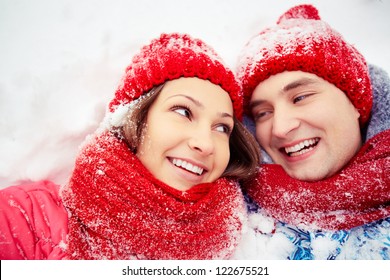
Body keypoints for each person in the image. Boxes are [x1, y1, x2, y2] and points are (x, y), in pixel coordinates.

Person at [0, 33, 260, 260]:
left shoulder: (248, 236)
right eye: (183, 111)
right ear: (135, 117)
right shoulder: (28, 218)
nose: (205, 144)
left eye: (222, 128)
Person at [234, 4, 390, 259]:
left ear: (356, 103)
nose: (282, 128)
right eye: (263, 113)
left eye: (301, 97)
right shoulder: (234, 211)